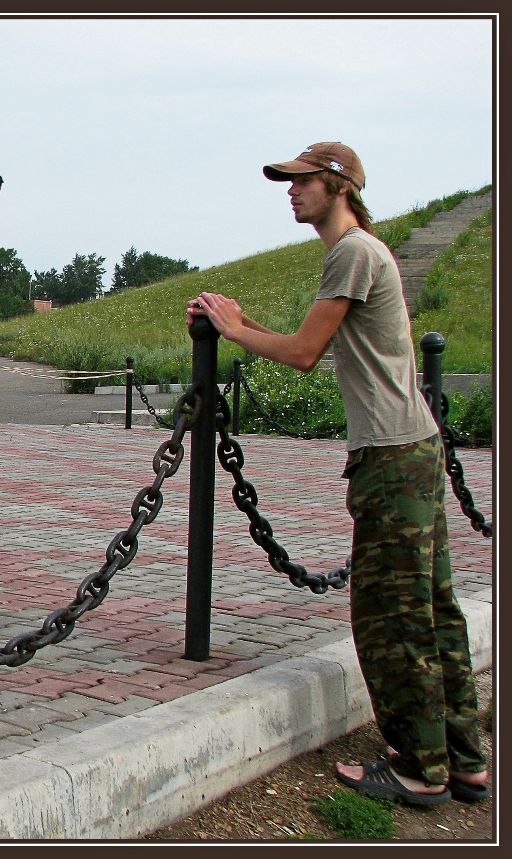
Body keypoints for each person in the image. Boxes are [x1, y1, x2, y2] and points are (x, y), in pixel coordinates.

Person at [187, 142, 489, 808]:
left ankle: (419, 766)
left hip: (391, 460)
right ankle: (463, 757)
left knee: (391, 617)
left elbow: (301, 354)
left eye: (301, 182)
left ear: (337, 185)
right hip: (414, 452)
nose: (290, 192)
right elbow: (312, 342)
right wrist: (237, 321)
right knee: (433, 611)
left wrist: (233, 331)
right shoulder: (363, 253)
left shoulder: (352, 252)